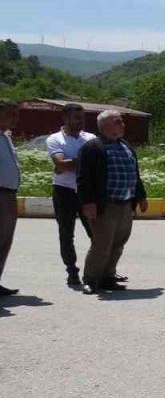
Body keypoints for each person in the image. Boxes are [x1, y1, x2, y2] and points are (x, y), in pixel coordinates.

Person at [77, 110, 148, 294]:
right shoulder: (93, 147)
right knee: (102, 244)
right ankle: (91, 279)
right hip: (105, 205)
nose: (123, 124)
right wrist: (88, 202)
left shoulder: (126, 146)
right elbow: (84, 178)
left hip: (125, 204)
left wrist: (141, 196)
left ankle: (108, 277)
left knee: (118, 243)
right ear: (106, 125)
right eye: (118, 121)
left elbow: (134, 174)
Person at [48, 103, 96, 287]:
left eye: (82, 118)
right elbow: (61, 164)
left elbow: (97, 162)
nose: (81, 121)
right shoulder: (55, 139)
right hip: (64, 191)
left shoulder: (90, 138)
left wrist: (69, 164)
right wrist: (69, 165)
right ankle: (72, 271)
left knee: (96, 232)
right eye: (77, 118)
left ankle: (96, 270)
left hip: (87, 192)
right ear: (65, 118)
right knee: (66, 233)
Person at [0, 99, 20, 297]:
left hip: (8, 194)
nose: (16, 119)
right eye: (11, 114)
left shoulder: (6, 136)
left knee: (5, 240)